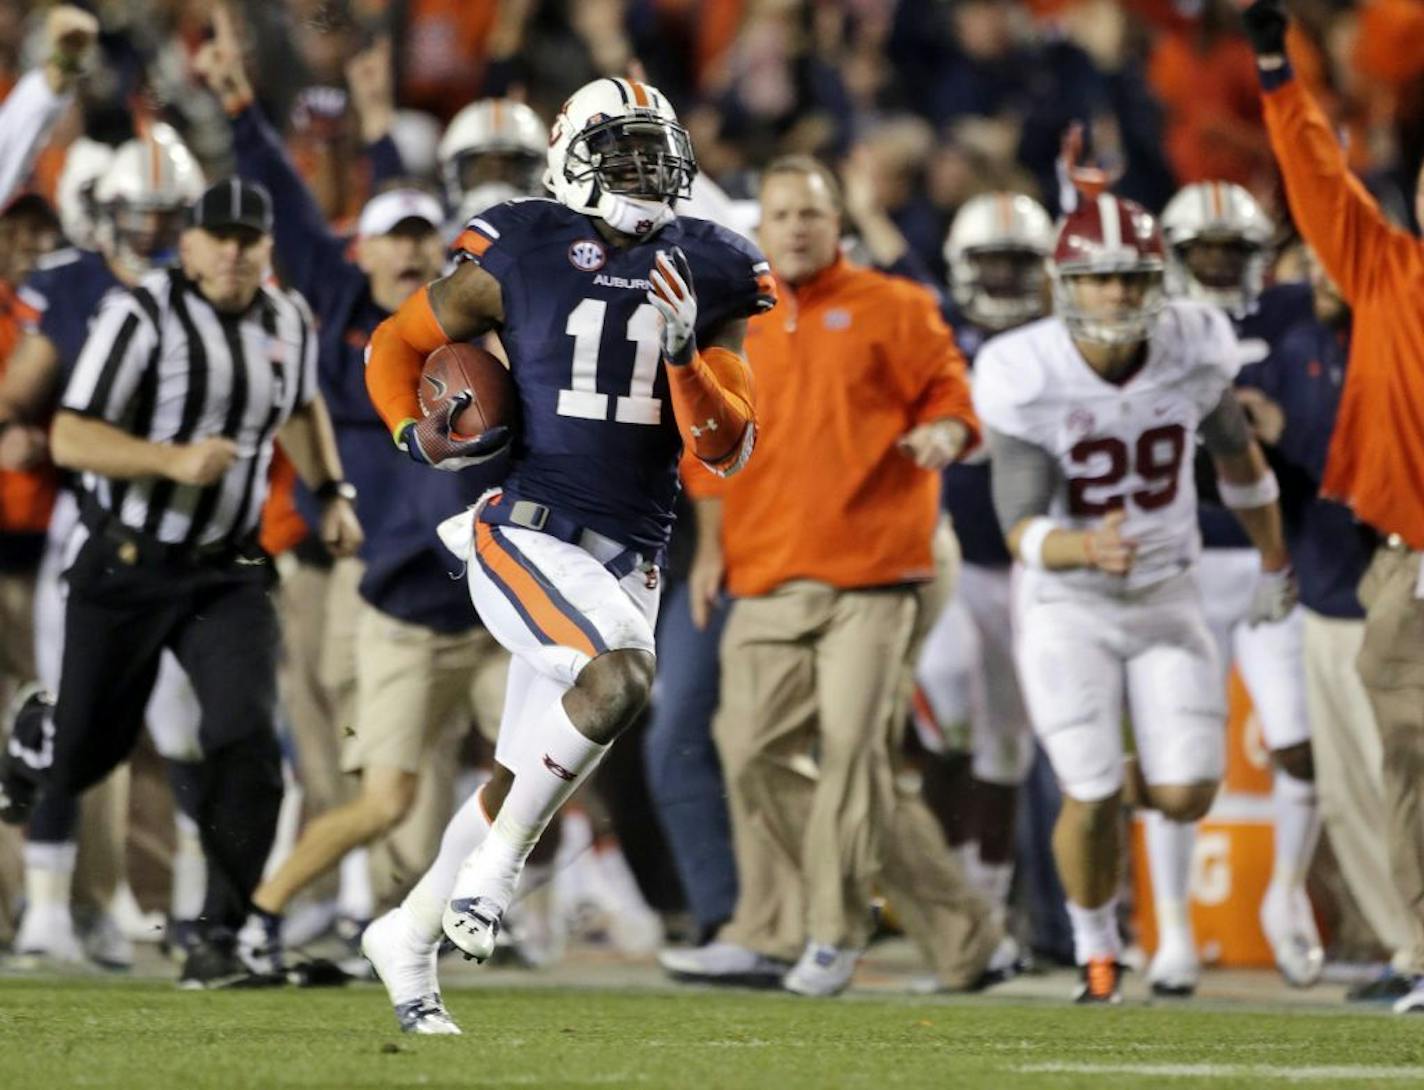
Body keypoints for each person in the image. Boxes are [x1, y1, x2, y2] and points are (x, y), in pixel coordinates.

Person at [360, 75, 771, 1034]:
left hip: (633, 557)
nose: (641, 169)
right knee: (622, 677)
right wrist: (407, 434)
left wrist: (685, 359)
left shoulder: (710, 265)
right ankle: (493, 883)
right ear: (573, 155)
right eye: (621, 150)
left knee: (520, 771)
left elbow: (732, 446)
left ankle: (408, 934)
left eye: (651, 151)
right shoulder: (521, 243)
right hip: (526, 533)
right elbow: (395, 342)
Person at [196, 5, 512, 949]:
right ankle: (364, 903)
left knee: (530, 753)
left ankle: (445, 904)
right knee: (354, 753)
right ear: (363, 248)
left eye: (425, 236)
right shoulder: (336, 303)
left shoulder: (472, 327)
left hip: (472, 581)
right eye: (394, 235)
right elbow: (289, 204)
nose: (412, 249)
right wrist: (248, 113)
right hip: (365, 571)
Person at [0, 178, 363, 988]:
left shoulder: (286, 319)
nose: (233, 251)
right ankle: (39, 738)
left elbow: (302, 407)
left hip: (225, 570)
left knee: (245, 742)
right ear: (189, 245)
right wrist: (171, 461)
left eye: (249, 238)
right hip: (125, 562)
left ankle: (219, 936)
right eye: (218, 237)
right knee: (87, 757)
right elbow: (69, 433)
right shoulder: (140, 315)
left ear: (268, 248)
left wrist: (331, 491)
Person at [666, 157, 1006, 999]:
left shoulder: (897, 305)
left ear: (838, 223)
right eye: (780, 215)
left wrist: (946, 437)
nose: (795, 228)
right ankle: (966, 935)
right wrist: (712, 552)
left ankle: (830, 935)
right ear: (762, 226)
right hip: (769, 569)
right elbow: (708, 450)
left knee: (853, 752)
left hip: (879, 571)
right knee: (748, 754)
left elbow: (954, 397)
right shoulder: (731, 320)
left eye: (811, 214)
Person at [974, 191, 1294, 1004]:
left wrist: (1271, 561)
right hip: (1066, 600)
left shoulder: (1194, 346)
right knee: (1088, 790)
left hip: (1165, 591)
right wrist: (1084, 546)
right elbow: (1017, 521)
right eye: (1101, 279)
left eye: (1132, 278)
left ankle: (1110, 786)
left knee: (1189, 792)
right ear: (1065, 283)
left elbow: (1240, 463)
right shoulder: (1026, 367)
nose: (1117, 295)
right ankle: (1096, 952)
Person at [1242, 0, 1424, 1015]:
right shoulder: (1387, 269)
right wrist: (1276, 74)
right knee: (1403, 759)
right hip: (1401, 561)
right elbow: (1314, 179)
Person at [0, 127, 212, 969]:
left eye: (170, 216)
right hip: (94, 522)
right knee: (71, 706)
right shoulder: (75, 284)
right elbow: (20, 396)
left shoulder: (227, 287)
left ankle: (199, 907)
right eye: (140, 213)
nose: (155, 231)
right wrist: (19, 430)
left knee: (187, 725)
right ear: (108, 212)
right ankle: (50, 907)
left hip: (197, 531)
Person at [1153, 178, 1322, 991]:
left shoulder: (1291, 312)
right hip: (1178, 559)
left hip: (1268, 553)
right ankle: (1174, 932)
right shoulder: (1148, 318)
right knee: (1175, 756)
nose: (1219, 264)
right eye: (1205, 250)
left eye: (1232, 249)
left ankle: (1285, 900)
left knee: (1299, 742)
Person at [913, 190, 1055, 929]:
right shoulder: (934, 331)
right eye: (990, 264)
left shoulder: (1067, 340)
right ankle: (939, 897)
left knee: (1007, 744)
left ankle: (987, 906)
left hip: (1033, 562)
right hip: (955, 557)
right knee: (945, 706)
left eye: (1016, 264)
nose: (1002, 279)